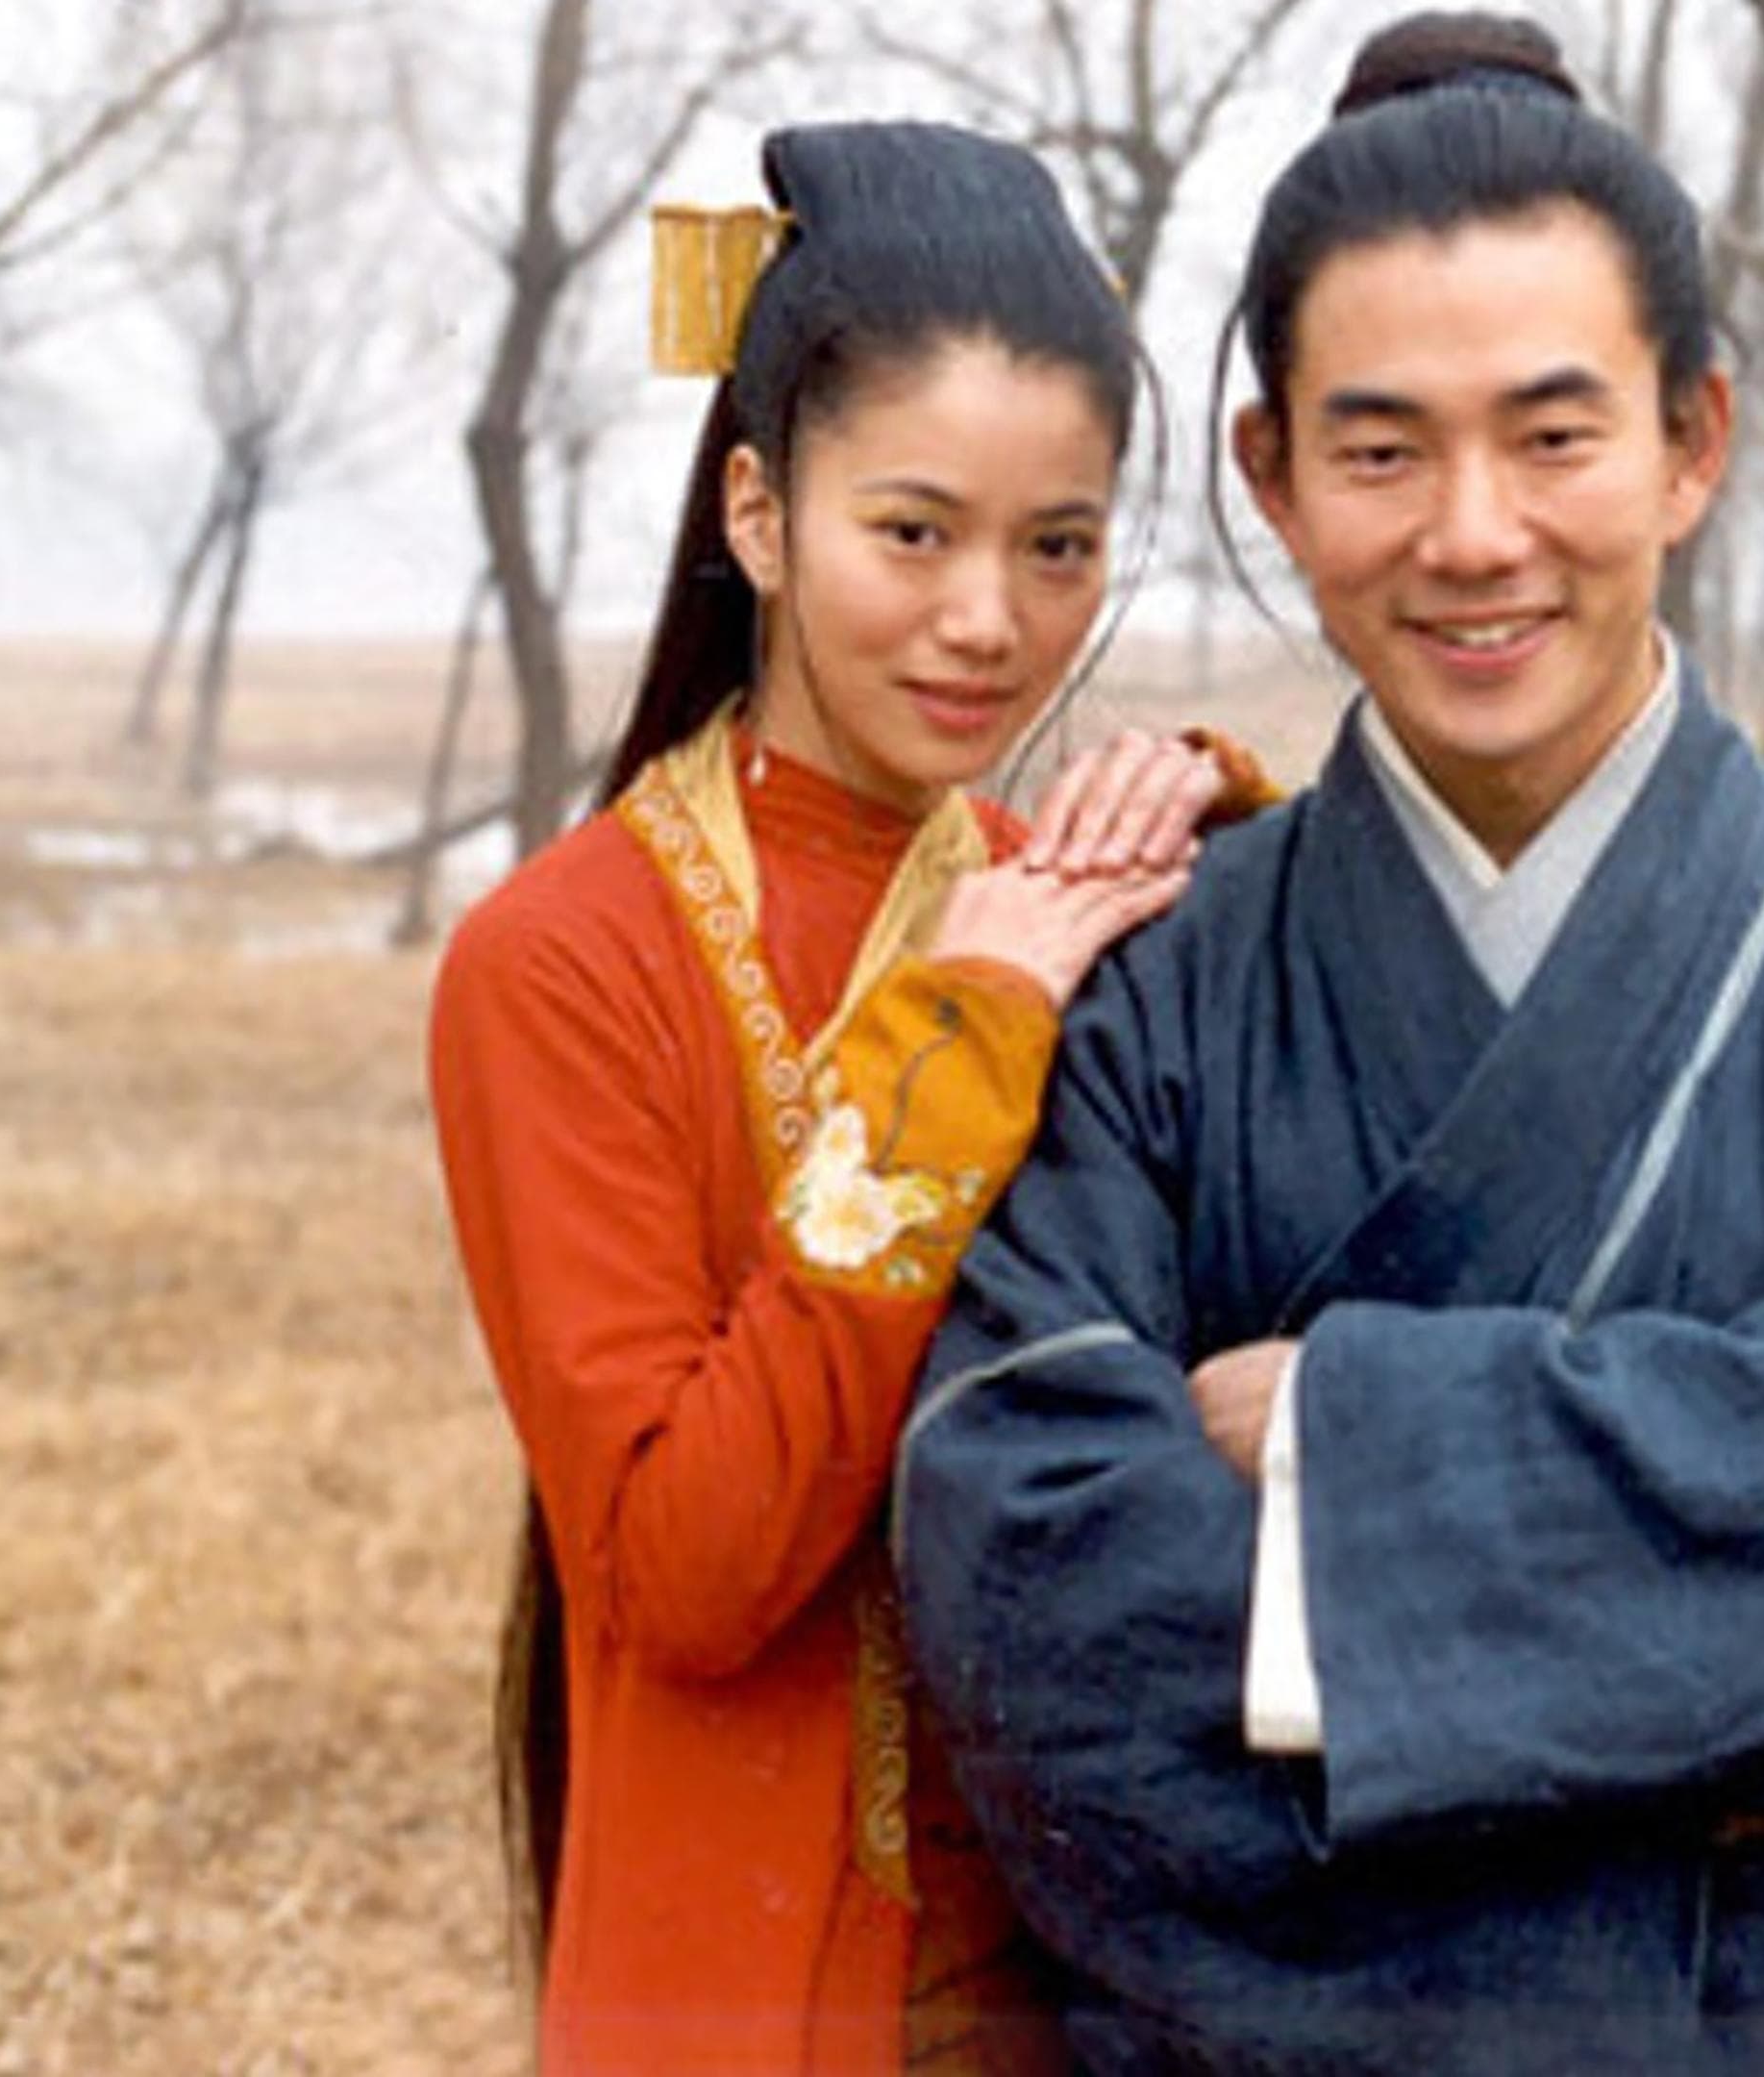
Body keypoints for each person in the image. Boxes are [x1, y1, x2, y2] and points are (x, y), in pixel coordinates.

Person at [894, 16, 1764, 2073]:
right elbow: (1034, 1579)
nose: (1475, 534)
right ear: (1271, 476)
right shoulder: (1147, 994)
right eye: (1384, 451)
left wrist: (1343, 1450)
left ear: (1694, 441)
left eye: (1554, 438)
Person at [429, 120, 1261, 2074]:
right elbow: (691, 1570)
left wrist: (1248, 874)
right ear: (758, 511)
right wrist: (964, 1030)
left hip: (1108, 1995)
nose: (990, 621)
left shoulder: (1084, 911)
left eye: (1057, 547)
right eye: (914, 532)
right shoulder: (565, 963)